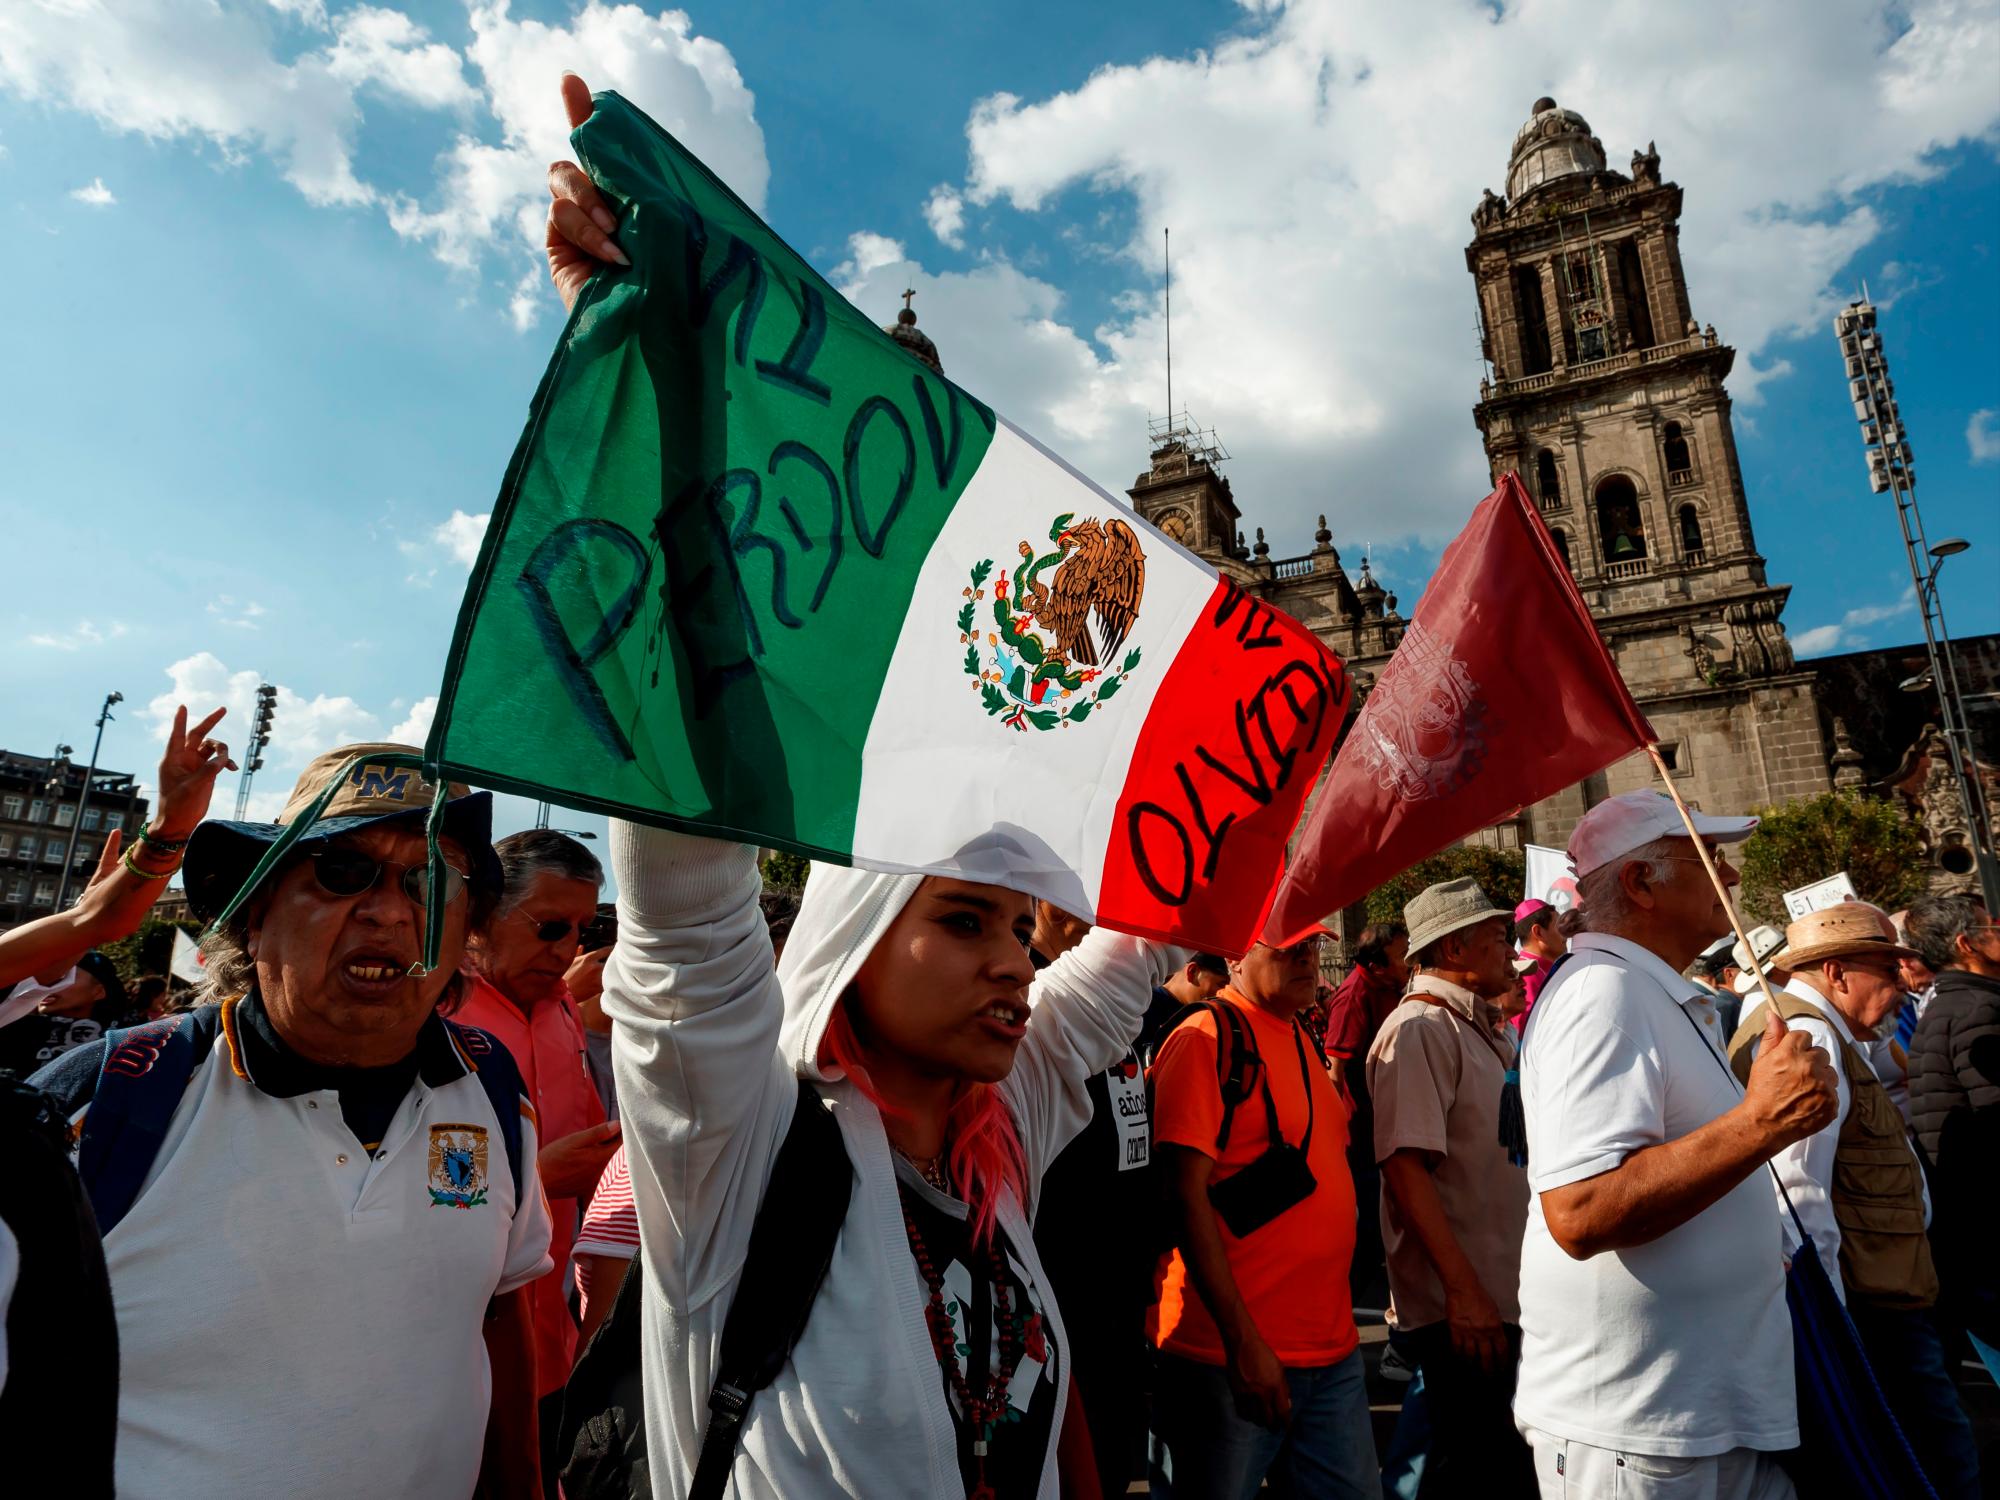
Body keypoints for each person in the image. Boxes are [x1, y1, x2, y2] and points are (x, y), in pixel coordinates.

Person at [30, 743, 553, 1500]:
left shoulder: (494, 1089)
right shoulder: (103, 1100)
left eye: (433, 882)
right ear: (255, 913)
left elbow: (499, 1307)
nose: (389, 910)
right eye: (341, 871)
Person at [1514, 789, 1838, 1499]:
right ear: (1640, 883)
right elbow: (1580, 1211)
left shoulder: (1646, 990)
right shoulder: (1601, 994)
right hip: (1640, 1428)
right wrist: (1763, 1122)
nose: (1731, 876)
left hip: (1700, 1413)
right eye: (1710, 858)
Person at [1728, 903, 1979, 1498]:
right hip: (1870, 1301)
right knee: (1940, 1453)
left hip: (1880, 1287)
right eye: (1887, 970)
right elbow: (1799, 1192)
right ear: (1837, 973)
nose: (1902, 985)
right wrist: (1832, 1317)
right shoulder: (1808, 1034)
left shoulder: (1821, 1028)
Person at [1149, 933, 1376, 1498]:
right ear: (1235, 956)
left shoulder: (1299, 1032)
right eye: (1288, 944)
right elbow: (1182, 1196)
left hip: (1332, 1353)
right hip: (1226, 1361)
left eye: (1312, 944)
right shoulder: (1204, 1038)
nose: (1307, 956)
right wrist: (1242, 1344)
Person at [456, 828, 620, 1488]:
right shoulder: (434, 1016)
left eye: (584, 929)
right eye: (551, 927)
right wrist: (541, 1180)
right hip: (464, 1348)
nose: (569, 949)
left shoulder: (563, 1012)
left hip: (554, 1340)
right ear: (483, 915)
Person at [1369, 878, 1534, 1498]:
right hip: (1467, 1310)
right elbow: (1404, 1169)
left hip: (1504, 1299)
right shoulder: (1420, 1029)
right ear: (1455, 949)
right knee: (1478, 1471)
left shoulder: (1481, 1026)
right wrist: (1464, 1293)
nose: (1512, 951)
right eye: (1498, 937)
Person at [1906, 897, 2000, 1388]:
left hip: (1970, 1220)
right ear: (1967, 944)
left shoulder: (1950, 1004)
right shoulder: (1980, 1009)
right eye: (1992, 927)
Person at [1324, 921, 1410, 1308]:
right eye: (1401, 954)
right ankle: (1341, 1306)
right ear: (1376, 965)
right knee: (1369, 1231)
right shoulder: (1353, 994)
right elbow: (1335, 1070)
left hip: (1387, 1127)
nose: (1410, 959)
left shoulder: (1393, 987)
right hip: (1361, 1138)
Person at [0, 950, 128, 1075]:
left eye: (63, 977)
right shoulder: (8, 1027)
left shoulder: (120, 1045)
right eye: (42, 977)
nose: (48, 985)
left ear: (98, 992)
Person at [1510, 898, 1566, 1032]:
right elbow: (1527, 1032)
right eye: (1558, 926)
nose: (1565, 933)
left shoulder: (1548, 968)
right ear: (1538, 932)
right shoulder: (1525, 976)